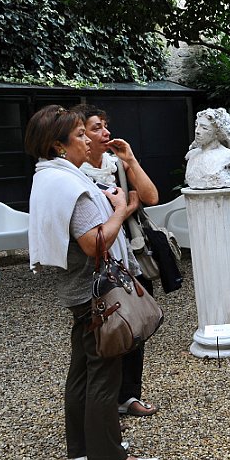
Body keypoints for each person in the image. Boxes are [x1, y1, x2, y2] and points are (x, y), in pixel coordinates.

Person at [25, 105, 159, 460]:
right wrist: (120, 210)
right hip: (94, 292)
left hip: (77, 290)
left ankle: (82, 449)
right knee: (104, 372)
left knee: (82, 370)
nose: (87, 140)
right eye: (80, 134)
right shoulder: (73, 186)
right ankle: (111, 459)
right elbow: (94, 243)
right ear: (59, 145)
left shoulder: (48, 176)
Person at [71, 103, 159, 418]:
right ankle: (103, 406)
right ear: (79, 136)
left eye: (105, 125)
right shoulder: (75, 175)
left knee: (134, 325)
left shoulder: (115, 163)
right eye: (96, 128)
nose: (105, 132)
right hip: (99, 265)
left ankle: (128, 395)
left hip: (129, 256)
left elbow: (151, 197)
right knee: (107, 332)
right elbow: (98, 223)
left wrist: (130, 160)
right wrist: (125, 208)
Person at [184, 108, 230, 189]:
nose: (197, 131)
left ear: (217, 133)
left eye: (204, 128)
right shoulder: (192, 155)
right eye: (196, 125)